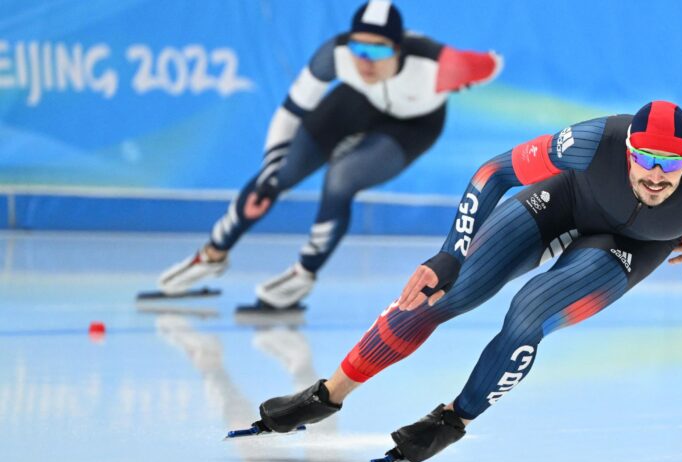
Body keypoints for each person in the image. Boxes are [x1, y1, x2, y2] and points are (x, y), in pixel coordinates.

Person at [248, 100, 682, 462]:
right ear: (628, 149)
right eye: (645, 160)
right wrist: (450, 255)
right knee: (448, 291)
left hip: (631, 249)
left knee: (528, 313)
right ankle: (327, 395)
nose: (655, 176)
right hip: (563, 202)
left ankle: (455, 418)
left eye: (670, 165)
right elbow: (494, 172)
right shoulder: (591, 141)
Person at [156, 0, 502, 309]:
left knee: (342, 177)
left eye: (378, 52)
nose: (365, 60)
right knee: (278, 175)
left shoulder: (436, 66)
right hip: (359, 101)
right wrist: (270, 164)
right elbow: (292, 110)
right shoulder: (336, 55)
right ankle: (211, 255)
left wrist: (479, 73)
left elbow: (492, 64)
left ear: (398, 49)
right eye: (358, 48)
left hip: (414, 124)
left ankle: (303, 274)